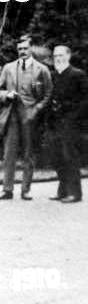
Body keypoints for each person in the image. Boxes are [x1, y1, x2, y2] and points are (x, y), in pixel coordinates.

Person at [0, 36, 53, 200]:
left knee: (28, 153)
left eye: (25, 48)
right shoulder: (8, 68)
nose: (22, 52)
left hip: (30, 115)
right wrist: (7, 94)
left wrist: (37, 109)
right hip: (11, 114)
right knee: (8, 153)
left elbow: (48, 94)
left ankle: (25, 190)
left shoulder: (42, 69)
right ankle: (7, 189)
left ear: (31, 49)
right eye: (19, 49)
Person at [46, 46, 87, 203]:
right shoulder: (54, 76)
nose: (58, 58)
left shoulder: (78, 74)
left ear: (68, 56)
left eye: (61, 55)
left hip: (71, 122)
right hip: (55, 122)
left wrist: (75, 117)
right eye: (55, 55)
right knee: (57, 157)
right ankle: (62, 191)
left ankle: (75, 193)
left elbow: (85, 100)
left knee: (70, 156)